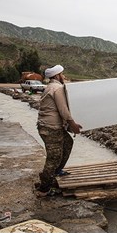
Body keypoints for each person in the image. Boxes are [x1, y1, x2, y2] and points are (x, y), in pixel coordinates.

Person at [35, 64, 82, 197]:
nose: (64, 76)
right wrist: (73, 125)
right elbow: (63, 110)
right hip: (51, 128)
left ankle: (56, 172)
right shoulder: (57, 88)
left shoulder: (50, 87)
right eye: (63, 74)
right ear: (57, 76)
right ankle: (44, 189)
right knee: (54, 158)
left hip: (49, 126)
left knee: (68, 143)